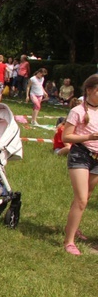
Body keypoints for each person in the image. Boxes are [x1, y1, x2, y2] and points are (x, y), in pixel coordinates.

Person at [61, 75, 98, 256]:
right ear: (89, 90)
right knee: (82, 199)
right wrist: (88, 137)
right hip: (80, 155)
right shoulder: (77, 111)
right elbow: (66, 137)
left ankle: (73, 228)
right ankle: (69, 241)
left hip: (96, 158)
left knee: (84, 198)